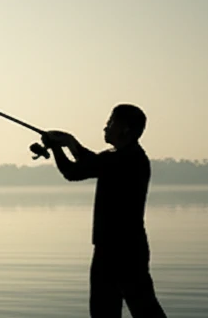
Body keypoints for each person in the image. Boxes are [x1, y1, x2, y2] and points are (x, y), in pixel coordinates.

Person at [42, 104, 168, 318]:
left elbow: (73, 172)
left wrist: (58, 147)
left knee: (137, 309)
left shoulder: (124, 159)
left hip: (121, 250)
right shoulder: (127, 156)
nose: (105, 127)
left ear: (125, 129)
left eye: (111, 122)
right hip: (118, 247)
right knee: (122, 308)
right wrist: (66, 143)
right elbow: (91, 162)